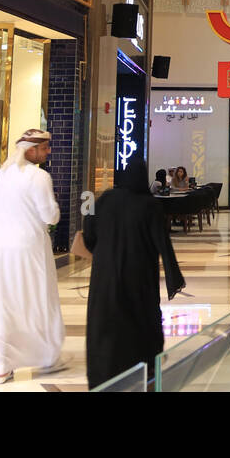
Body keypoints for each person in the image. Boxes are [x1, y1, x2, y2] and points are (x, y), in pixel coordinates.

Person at [83, 156, 186, 389]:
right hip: (138, 279)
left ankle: (103, 376)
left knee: (105, 328)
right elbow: (163, 244)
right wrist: (173, 275)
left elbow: (89, 235)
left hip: (105, 280)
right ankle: (144, 370)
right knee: (140, 323)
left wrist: (103, 254)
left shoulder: (105, 200)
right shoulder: (150, 206)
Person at [0, 128, 66, 384]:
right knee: (36, 300)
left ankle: (0, 366)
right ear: (31, 149)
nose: (47, 152)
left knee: (3, 305)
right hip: (30, 250)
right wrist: (56, 210)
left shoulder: (1, 175)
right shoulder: (39, 177)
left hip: (1, 252)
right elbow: (50, 215)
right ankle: (46, 355)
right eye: (44, 148)